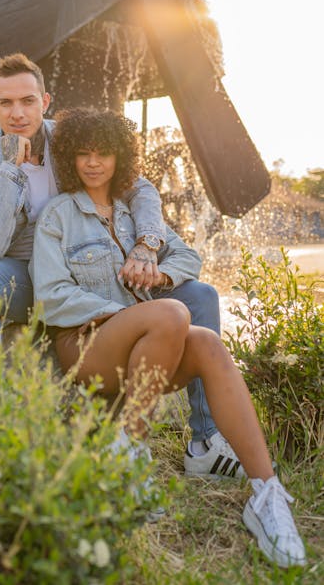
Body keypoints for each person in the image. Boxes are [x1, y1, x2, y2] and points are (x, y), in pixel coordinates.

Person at [30, 107, 306, 568]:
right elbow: (52, 296)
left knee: (208, 344)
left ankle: (266, 494)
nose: (93, 163)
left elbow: (190, 259)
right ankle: (129, 457)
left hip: (146, 346)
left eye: (103, 153)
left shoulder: (136, 217)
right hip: (85, 347)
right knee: (174, 314)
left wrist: (156, 277)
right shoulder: (58, 215)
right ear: (69, 158)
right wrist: (137, 316)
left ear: (120, 158)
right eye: (83, 154)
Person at [0, 52, 237, 479]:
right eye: (6, 103)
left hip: (100, 271)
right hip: (33, 279)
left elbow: (140, 189)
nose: (17, 113)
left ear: (45, 101)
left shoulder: (71, 141)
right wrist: (11, 169)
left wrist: (146, 244)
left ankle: (206, 440)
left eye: (27, 101)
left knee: (199, 295)